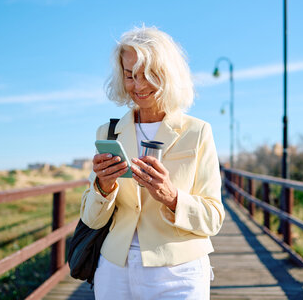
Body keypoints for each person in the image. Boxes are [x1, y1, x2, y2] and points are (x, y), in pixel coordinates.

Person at [80, 26, 225, 300]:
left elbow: (214, 218)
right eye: (130, 76)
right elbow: (91, 219)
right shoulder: (108, 133)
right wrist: (104, 186)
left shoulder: (198, 132)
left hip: (179, 273)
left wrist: (172, 198)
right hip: (115, 268)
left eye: (149, 74)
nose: (139, 85)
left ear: (168, 74)